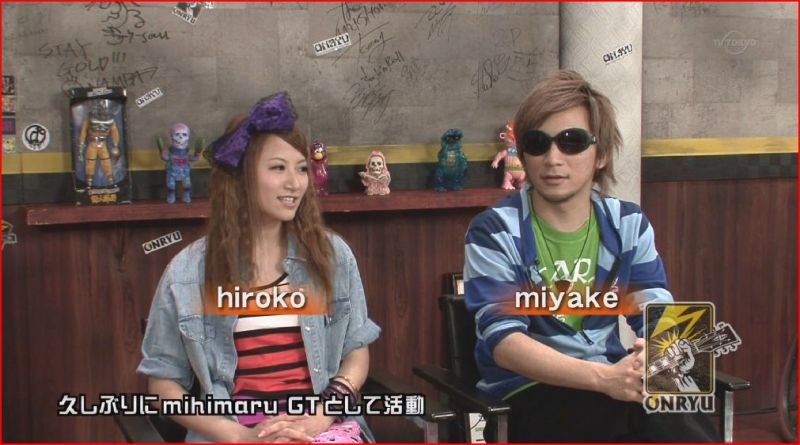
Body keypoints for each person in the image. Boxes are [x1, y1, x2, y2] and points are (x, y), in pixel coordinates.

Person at [463, 70, 720, 442]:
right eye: (537, 143)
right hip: (526, 393)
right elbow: (505, 344)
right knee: (629, 416)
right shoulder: (493, 230)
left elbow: (660, 313)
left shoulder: (628, 224)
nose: (553, 158)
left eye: (572, 142)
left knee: (677, 408)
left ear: (601, 154)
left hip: (612, 384)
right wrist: (606, 379)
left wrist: (660, 358)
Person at [138, 92, 381, 443]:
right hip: (234, 432)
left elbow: (356, 351)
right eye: (278, 168)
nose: (295, 183)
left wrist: (320, 417)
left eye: (301, 168)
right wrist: (241, 435)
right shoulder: (188, 272)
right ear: (242, 176)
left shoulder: (332, 255)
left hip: (320, 428)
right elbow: (163, 384)